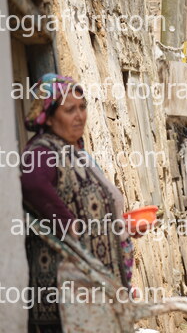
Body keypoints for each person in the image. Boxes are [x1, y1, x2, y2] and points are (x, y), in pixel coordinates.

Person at [20, 74, 142, 332]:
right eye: (69, 110)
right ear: (48, 117)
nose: (79, 116)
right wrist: (67, 223)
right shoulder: (44, 150)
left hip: (95, 293)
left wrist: (121, 227)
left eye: (82, 107)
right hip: (70, 298)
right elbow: (31, 182)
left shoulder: (73, 150)